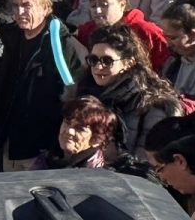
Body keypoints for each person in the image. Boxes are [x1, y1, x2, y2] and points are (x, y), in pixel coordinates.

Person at [0, 0, 85, 170]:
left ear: (45, 7)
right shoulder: (11, 38)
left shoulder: (62, 45)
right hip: (9, 142)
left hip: (41, 149)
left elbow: (74, 96)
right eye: (16, 6)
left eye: (27, 6)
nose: (20, 12)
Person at [74, 25, 183, 158]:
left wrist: (113, 157)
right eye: (93, 59)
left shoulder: (150, 105)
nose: (98, 66)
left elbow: (150, 160)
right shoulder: (84, 94)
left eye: (107, 61)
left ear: (128, 63)